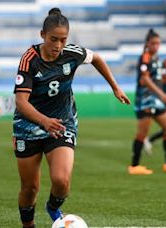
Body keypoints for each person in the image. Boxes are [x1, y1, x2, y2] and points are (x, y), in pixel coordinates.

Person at [12, 8, 130, 228]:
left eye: (63, 40)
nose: (58, 45)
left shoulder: (73, 53)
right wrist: (44, 121)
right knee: (30, 188)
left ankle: (53, 207)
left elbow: (97, 59)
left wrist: (115, 87)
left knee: (62, 181)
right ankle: (28, 225)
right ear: (42, 35)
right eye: (53, 39)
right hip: (27, 127)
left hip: (62, 122)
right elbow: (21, 102)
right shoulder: (30, 59)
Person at [128, 29, 166, 175]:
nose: (156, 46)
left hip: (157, 101)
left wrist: (163, 95)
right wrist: (163, 95)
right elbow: (145, 79)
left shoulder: (156, 60)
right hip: (145, 101)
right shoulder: (145, 58)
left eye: (158, 43)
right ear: (147, 44)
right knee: (142, 134)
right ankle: (134, 166)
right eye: (153, 43)